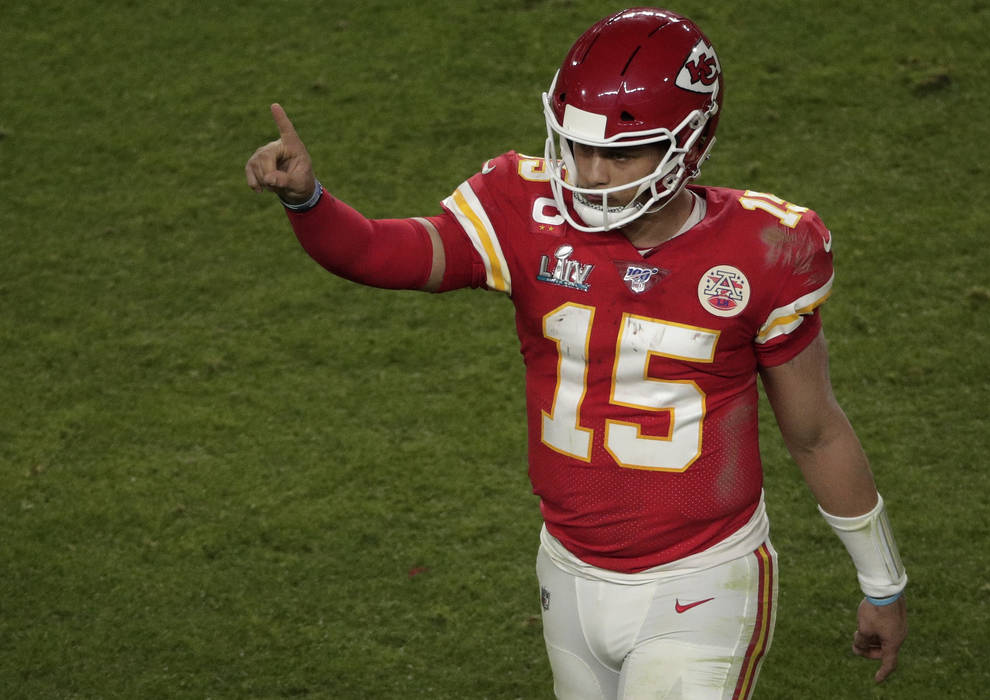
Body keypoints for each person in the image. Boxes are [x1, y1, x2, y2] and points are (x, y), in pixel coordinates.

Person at [245, 7, 908, 699]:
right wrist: (309, 201)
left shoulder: (766, 249)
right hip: (566, 571)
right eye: (577, 146)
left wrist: (882, 581)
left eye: (621, 154)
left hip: (703, 579)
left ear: (691, 142)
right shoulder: (524, 208)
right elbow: (382, 252)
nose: (590, 174)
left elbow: (815, 431)